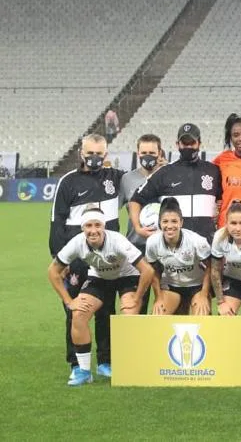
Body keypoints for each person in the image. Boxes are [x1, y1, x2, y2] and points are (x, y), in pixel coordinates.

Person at [47, 208, 154, 385]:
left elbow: (147, 270)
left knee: (129, 316)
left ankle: (130, 367)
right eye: (88, 225)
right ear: (83, 228)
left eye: (97, 225)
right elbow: (53, 271)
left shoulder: (117, 240)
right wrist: (69, 301)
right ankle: (84, 371)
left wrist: (137, 298)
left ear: (103, 226)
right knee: (78, 315)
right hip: (99, 278)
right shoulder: (77, 243)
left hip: (127, 276)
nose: (93, 230)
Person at [50, 133, 125, 379]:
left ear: (106, 155)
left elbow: (141, 183)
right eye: (90, 153)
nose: (94, 158)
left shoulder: (115, 178)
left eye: (99, 154)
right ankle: (77, 365)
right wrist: (60, 260)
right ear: (81, 153)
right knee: (74, 311)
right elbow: (56, 222)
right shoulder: (68, 182)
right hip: (77, 260)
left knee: (106, 312)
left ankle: (106, 361)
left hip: (108, 261)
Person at [129, 123, 222, 243]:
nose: (188, 147)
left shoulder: (213, 170)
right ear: (177, 144)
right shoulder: (164, 172)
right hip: (173, 246)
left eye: (192, 143)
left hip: (207, 243)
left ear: (199, 143)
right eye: (184, 143)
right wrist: (137, 228)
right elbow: (135, 199)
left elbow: (221, 200)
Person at [119, 134, 166, 313]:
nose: (147, 156)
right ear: (137, 153)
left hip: (165, 247)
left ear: (159, 152)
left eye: (152, 152)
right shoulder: (127, 179)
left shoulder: (168, 175)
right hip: (136, 247)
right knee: (137, 303)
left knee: (166, 304)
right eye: (143, 152)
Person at [145, 197, 212, 316]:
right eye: (165, 221)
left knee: (203, 317)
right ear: (160, 223)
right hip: (171, 286)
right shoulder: (152, 242)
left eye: (174, 221)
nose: (169, 226)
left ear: (181, 222)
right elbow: (153, 271)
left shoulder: (197, 241)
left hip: (197, 286)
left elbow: (210, 266)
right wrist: (158, 298)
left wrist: (204, 294)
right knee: (157, 316)